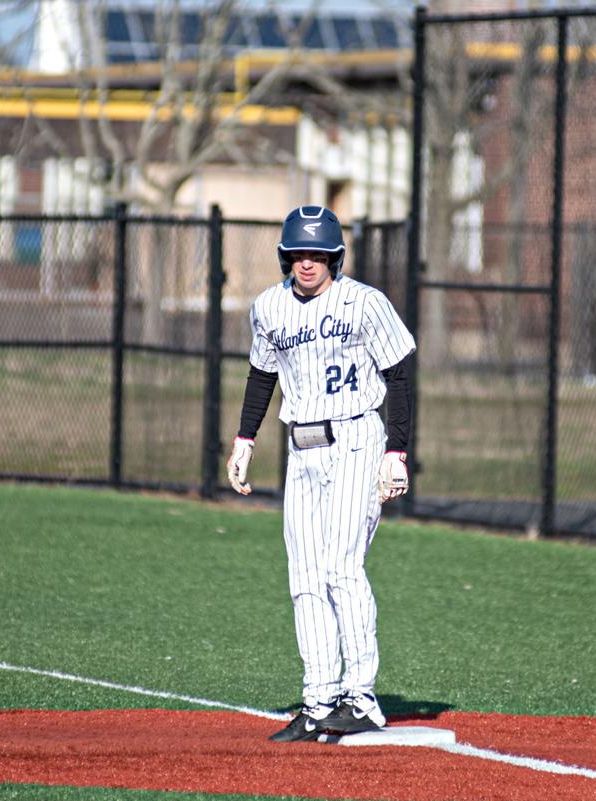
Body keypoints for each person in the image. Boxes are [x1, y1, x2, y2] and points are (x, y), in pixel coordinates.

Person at [226, 205, 416, 742]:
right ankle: (318, 699)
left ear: (335, 255)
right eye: (298, 253)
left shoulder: (364, 302)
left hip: (357, 436)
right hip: (301, 448)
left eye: (318, 253)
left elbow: (398, 375)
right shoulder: (269, 307)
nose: (307, 263)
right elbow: (261, 375)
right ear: (285, 256)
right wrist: (245, 439)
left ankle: (361, 697)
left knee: (341, 567)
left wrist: (395, 452)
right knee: (304, 577)